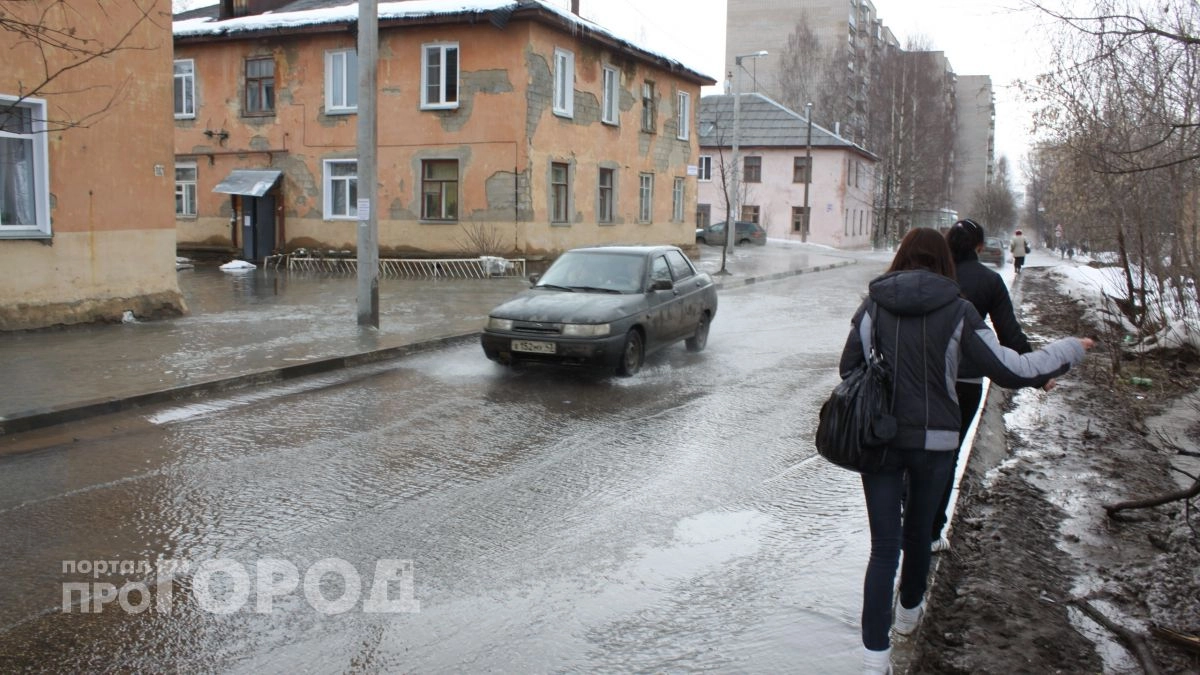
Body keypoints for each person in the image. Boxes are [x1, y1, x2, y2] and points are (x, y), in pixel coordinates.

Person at [839, 228, 1094, 674]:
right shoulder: (960, 311)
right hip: (935, 443)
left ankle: (874, 661)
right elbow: (1011, 369)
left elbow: (848, 369)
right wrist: (1070, 349)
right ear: (945, 262)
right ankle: (909, 616)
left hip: (879, 443)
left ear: (900, 257)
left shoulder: (871, 307)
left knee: (883, 549)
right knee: (919, 534)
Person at [932, 219, 1033, 552]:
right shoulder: (989, 281)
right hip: (966, 380)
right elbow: (1009, 335)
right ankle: (932, 530)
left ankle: (911, 512)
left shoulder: (934, 275)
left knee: (918, 448)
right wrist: (1037, 369)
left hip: (925, 377)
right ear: (979, 246)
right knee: (949, 451)